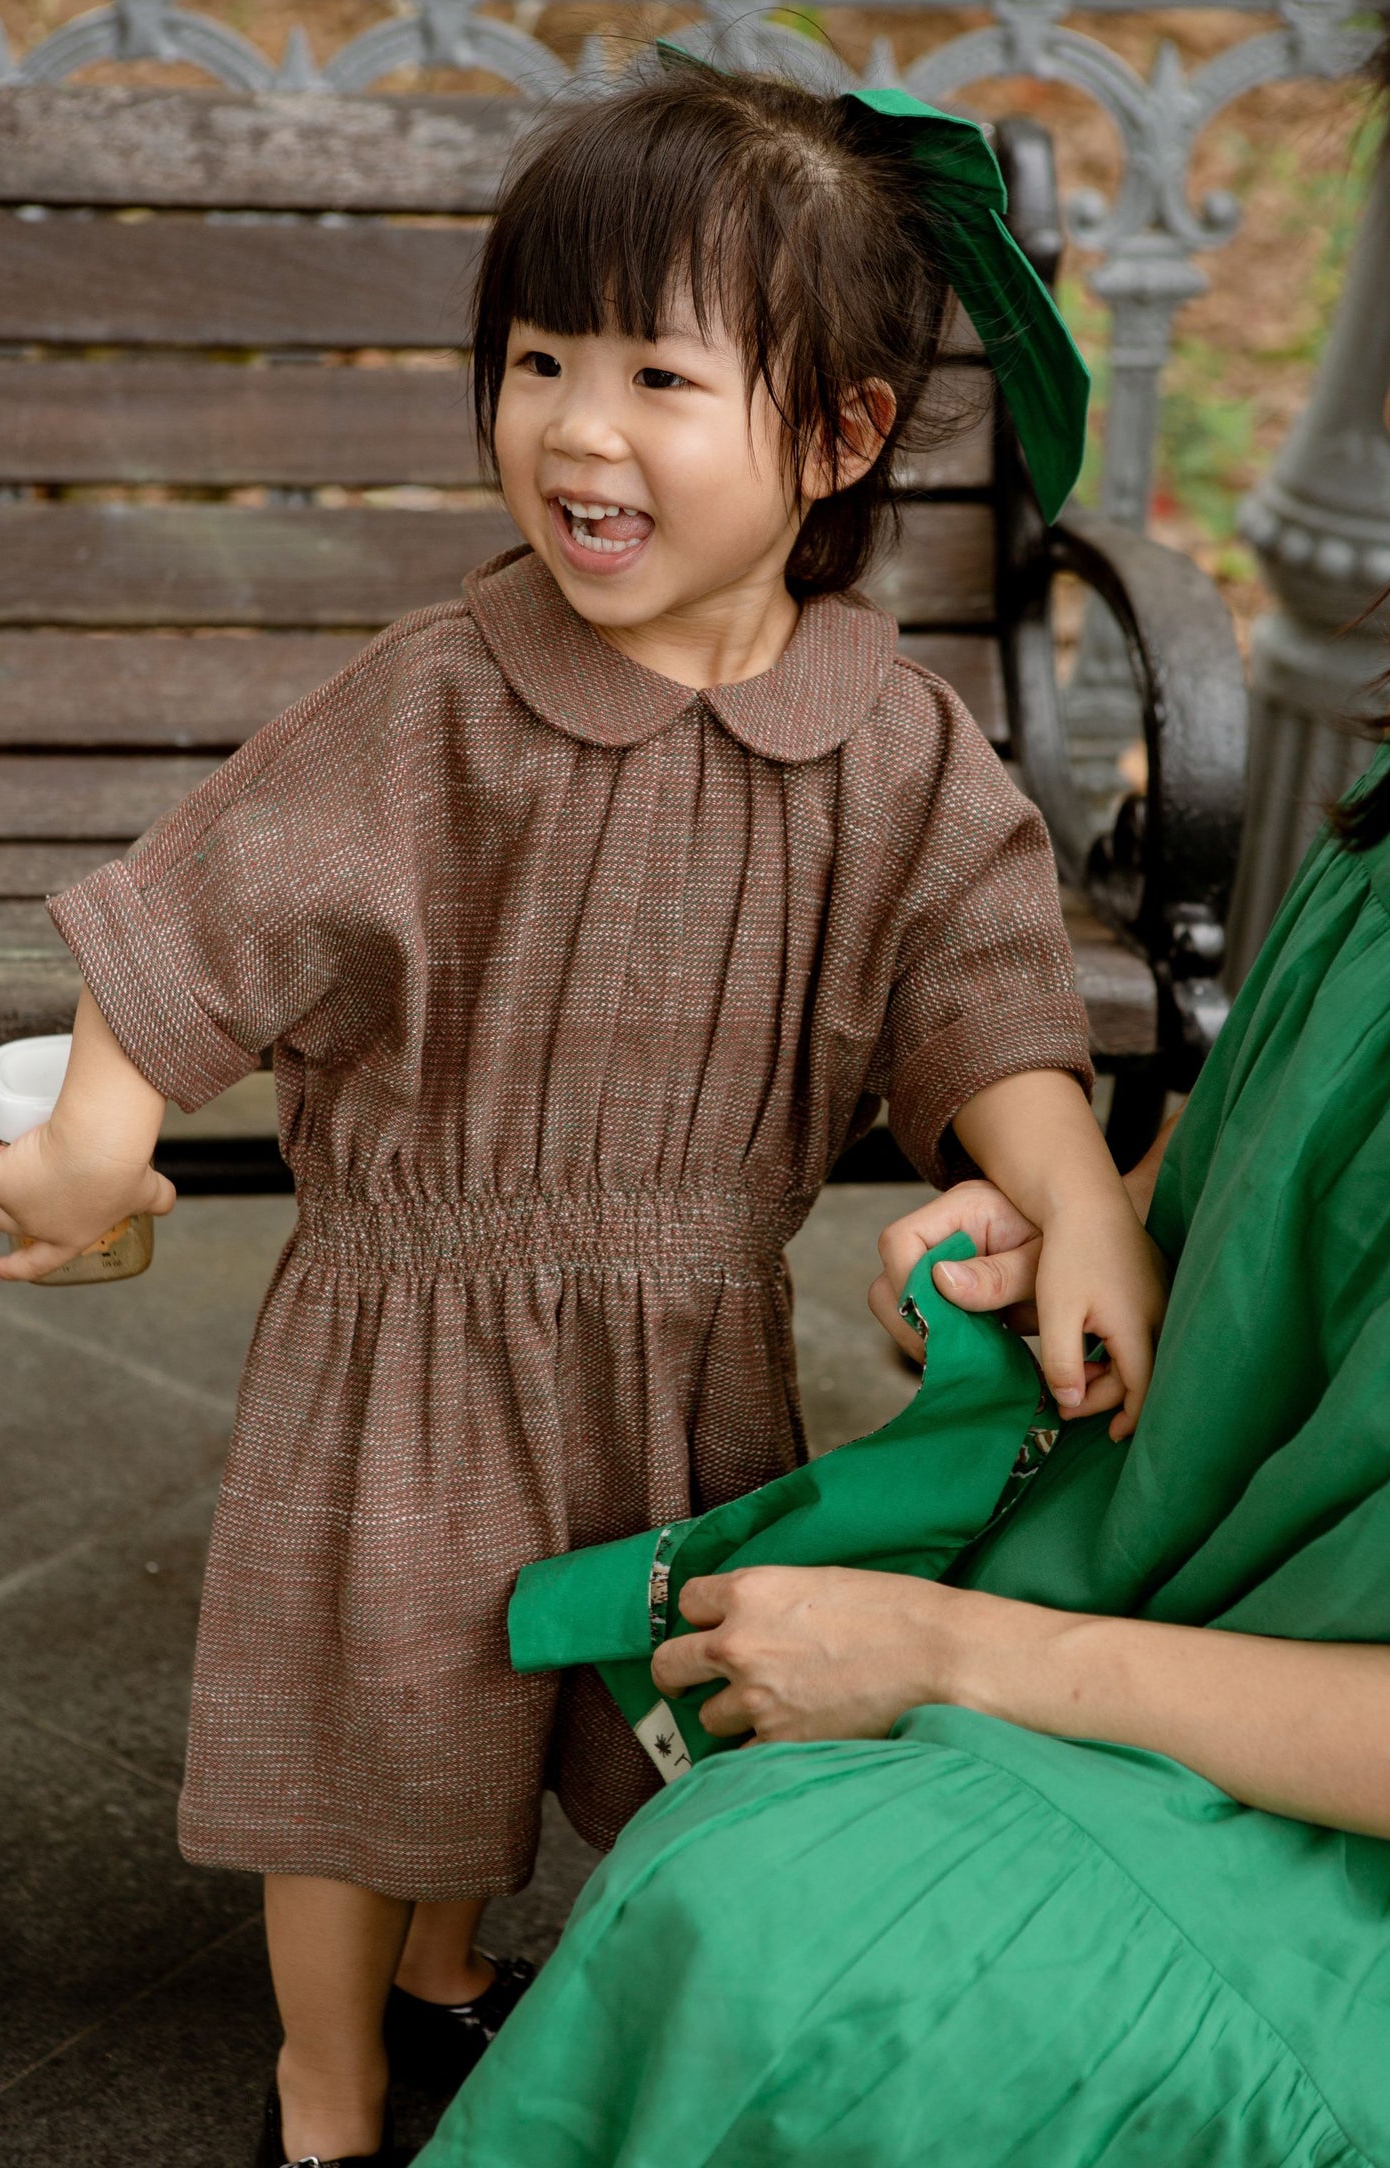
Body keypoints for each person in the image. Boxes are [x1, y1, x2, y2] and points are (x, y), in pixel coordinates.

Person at [0, 59, 1162, 2168]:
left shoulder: (889, 743)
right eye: (535, 360)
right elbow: (217, 896)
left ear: (839, 435)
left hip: (681, 1337)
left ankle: (444, 1981)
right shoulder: (445, 700)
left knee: (580, 1692)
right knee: (375, 1731)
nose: (576, 429)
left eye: (658, 376)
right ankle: (324, 2092)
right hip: (411, 1338)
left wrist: (1078, 1195)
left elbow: (988, 995)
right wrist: (97, 1122)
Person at [417, 623, 1390, 2159]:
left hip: (1328, 1857)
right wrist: (1089, 1231)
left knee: (781, 1934)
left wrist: (949, 1650)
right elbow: (1272, 1138)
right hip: (1173, 1589)